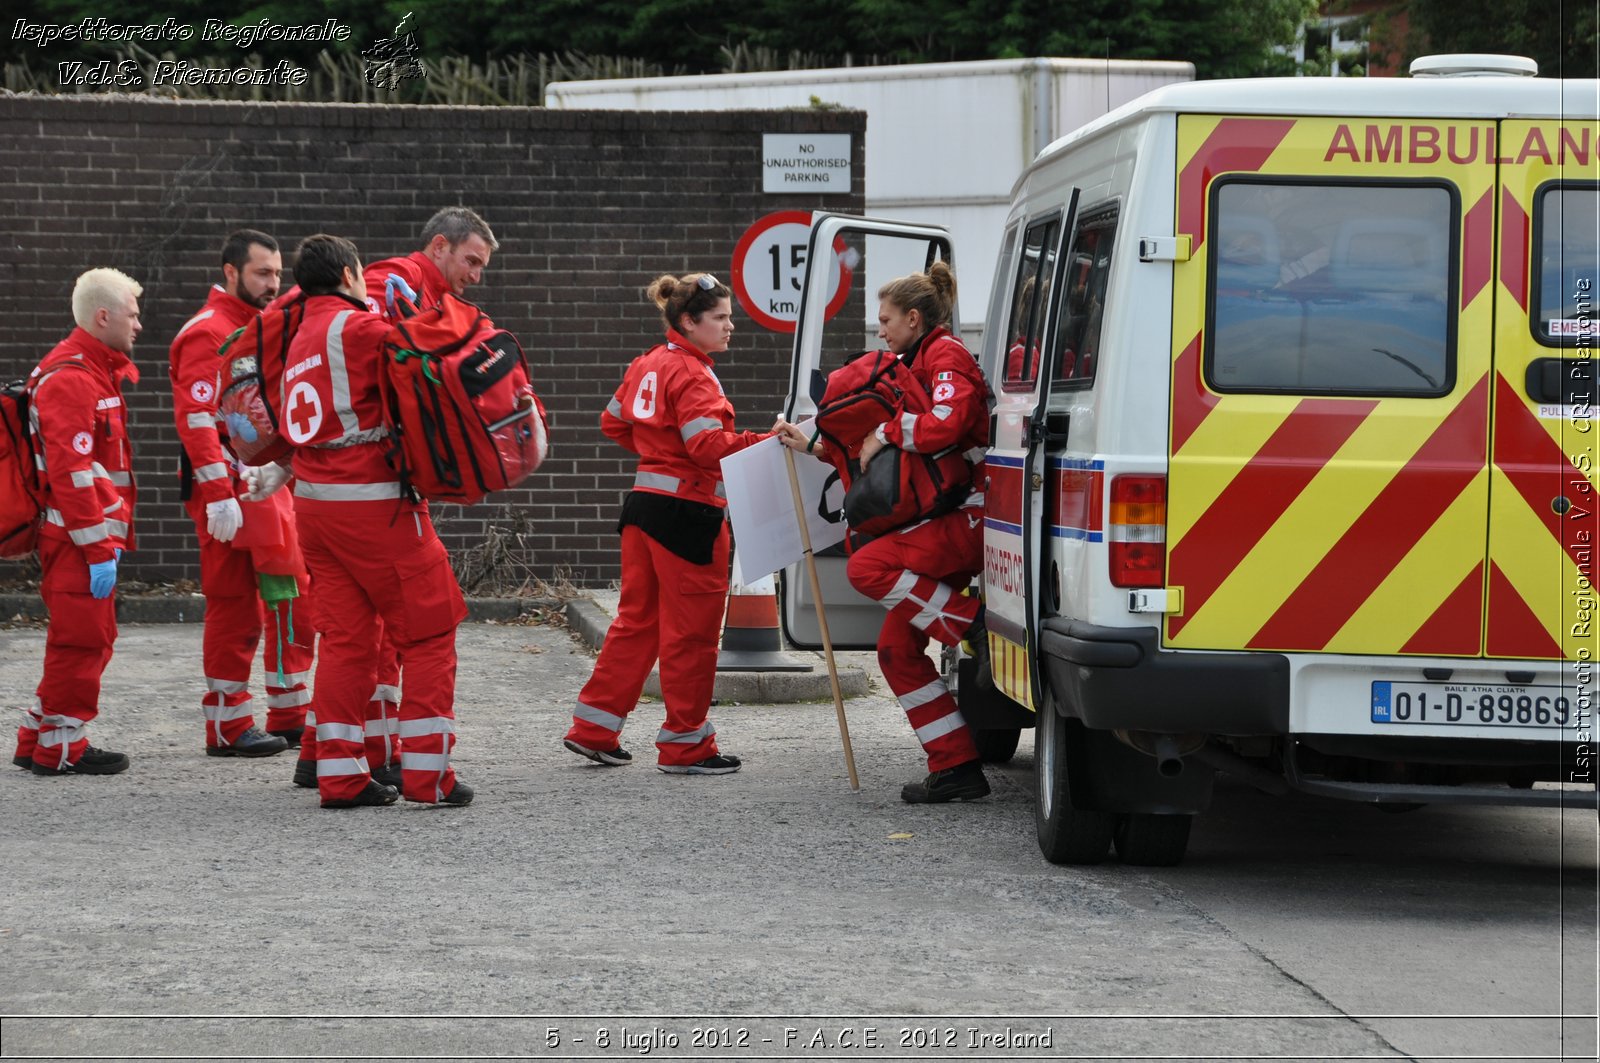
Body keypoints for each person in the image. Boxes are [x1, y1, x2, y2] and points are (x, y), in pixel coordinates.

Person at [281, 207, 500, 790]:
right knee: (430, 630)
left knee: (347, 640)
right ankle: (429, 775)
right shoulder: (359, 326)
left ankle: (341, 775)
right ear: (352, 275)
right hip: (372, 501)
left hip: (314, 504)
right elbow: (427, 362)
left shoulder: (297, 333)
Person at [775, 262, 994, 803]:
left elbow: (947, 421)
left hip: (968, 516)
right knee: (896, 648)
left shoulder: (947, 356)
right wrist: (813, 447)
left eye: (886, 320)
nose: (880, 331)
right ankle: (957, 767)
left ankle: (973, 627)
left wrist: (884, 430)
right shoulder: (913, 361)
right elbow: (895, 460)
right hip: (941, 517)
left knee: (866, 567)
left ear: (914, 318)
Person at [563, 272, 767, 775]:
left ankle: (593, 729)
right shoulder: (695, 374)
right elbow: (707, 448)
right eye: (719, 318)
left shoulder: (647, 363)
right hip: (688, 515)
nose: (729, 327)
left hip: (643, 509)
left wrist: (657, 456)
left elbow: (613, 421)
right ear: (688, 321)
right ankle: (686, 746)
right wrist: (767, 442)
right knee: (691, 635)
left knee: (637, 623)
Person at [170, 229, 312, 760]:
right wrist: (218, 494)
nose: (274, 284)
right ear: (230, 272)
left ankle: (290, 710)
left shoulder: (260, 327)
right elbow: (198, 421)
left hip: (263, 483)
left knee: (289, 596)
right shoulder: (207, 333)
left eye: (277, 273)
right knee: (234, 606)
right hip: (228, 489)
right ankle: (228, 725)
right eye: (262, 274)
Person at [10, 269, 143, 776]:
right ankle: (62, 747)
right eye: (132, 314)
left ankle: (36, 737)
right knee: (83, 641)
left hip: (79, 536)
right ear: (103, 316)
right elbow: (71, 473)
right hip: (77, 539)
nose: (139, 325)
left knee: (80, 637)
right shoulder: (72, 378)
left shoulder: (89, 371)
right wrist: (96, 548)